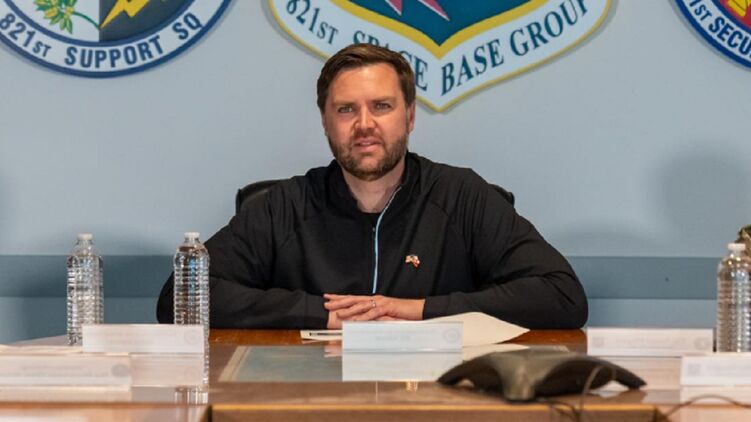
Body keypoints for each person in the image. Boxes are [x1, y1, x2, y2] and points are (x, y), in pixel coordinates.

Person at [157, 44, 587, 329]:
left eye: (381, 106)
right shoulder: (283, 205)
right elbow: (178, 298)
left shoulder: (462, 196)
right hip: (310, 398)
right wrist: (321, 314)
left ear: (410, 117)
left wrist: (417, 310)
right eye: (346, 110)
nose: (364, 125)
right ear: (325, 122)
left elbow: (562, 295)